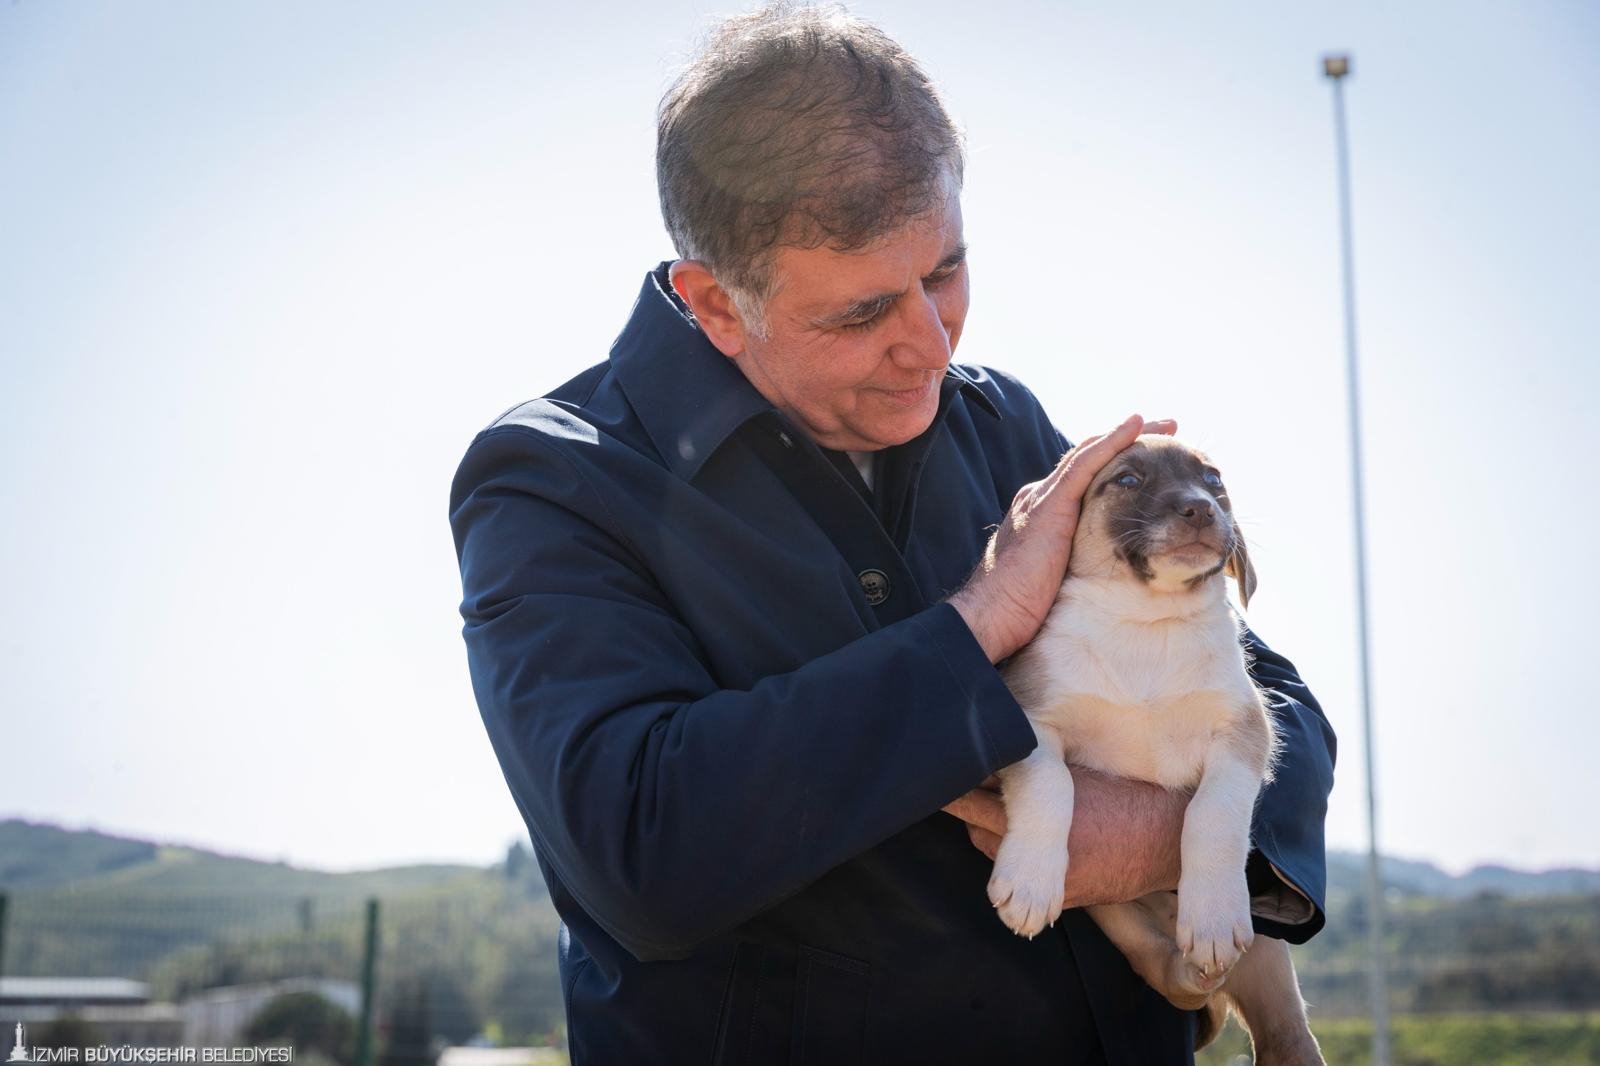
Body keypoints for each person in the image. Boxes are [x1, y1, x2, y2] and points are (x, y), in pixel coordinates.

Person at [449, 5, 1335, 1063]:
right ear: (717, 304)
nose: (930, 345)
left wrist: (1162, 837)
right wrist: (976, 623)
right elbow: (641, 850)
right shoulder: (553, 480)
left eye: (944, 272)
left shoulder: (1004, 423)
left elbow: (1274, 703)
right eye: (863, 312)